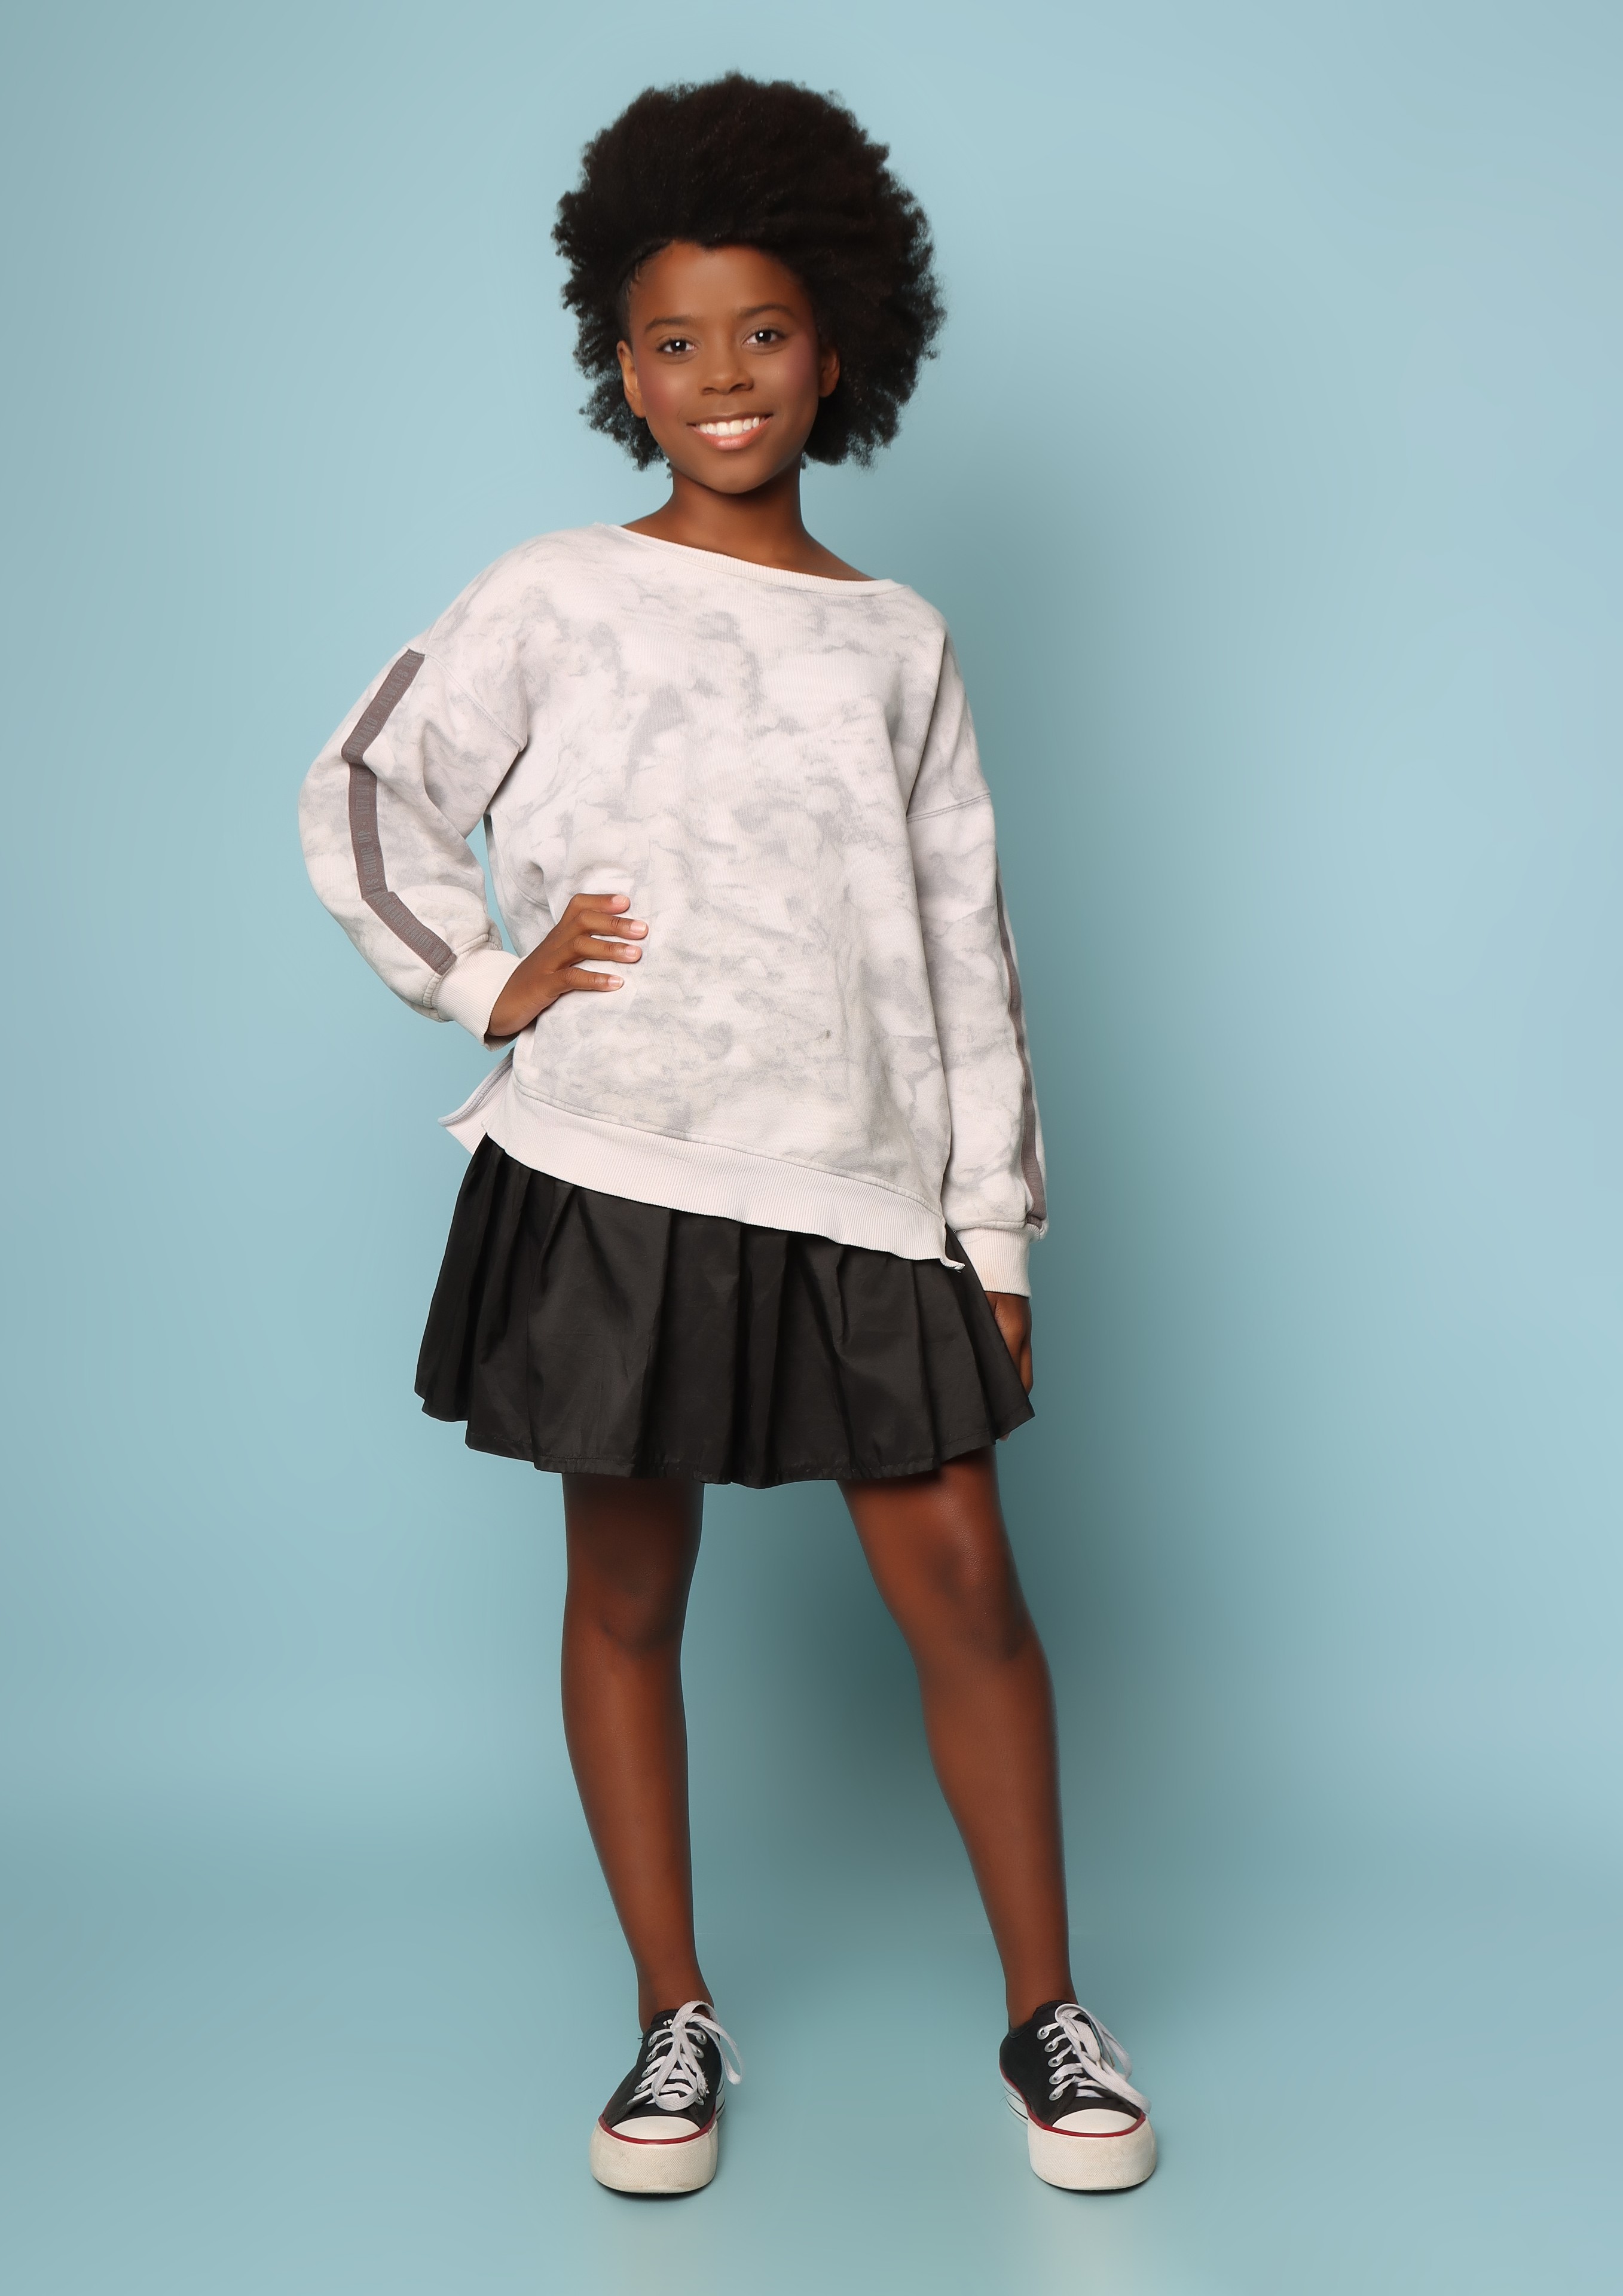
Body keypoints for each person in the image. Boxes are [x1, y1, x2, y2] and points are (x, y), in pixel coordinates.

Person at [298, 72, 1154, 2198]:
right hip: (615, 1165)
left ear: (837, 346)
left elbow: (965, 953)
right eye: (672, 341)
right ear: (621, 366)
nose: (720, 376)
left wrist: (994, 1235)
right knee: (625, 1586)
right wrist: (478, 978)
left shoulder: (897, 640)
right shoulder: (553, 592)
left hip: (859, 1179)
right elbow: (365, 788)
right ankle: (670, 2017)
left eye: (760, 331)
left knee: (964, 1585)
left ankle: (1046, 2013)